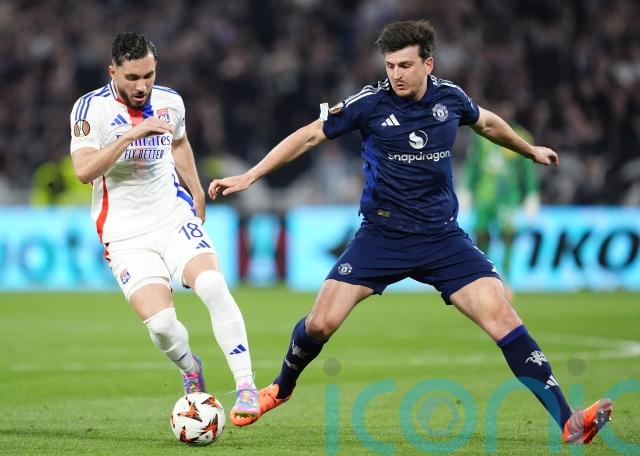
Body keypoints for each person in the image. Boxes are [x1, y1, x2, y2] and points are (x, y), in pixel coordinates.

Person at [209, 20, 612, 444]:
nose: (396, 75)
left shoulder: (450, 98)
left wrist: (528, 150)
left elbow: (488, 123)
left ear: (428, 64)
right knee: (321, 323)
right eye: (390, 66)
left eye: (404, 65)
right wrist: (251, 175)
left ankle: (568, 421)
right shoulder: (369, 103)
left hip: (442, 238)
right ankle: (281, 388)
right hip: (382, 235)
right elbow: (310, 136)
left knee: (502, 316)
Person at [69, 31, 258, 425]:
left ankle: (246, 386)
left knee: (213, 285)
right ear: (113, 72)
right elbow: (84, 170)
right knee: (162, 327)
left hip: (172, 217)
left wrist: (195, 189)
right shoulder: (90, 109)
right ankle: (191, 369)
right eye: (132, 78)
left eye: (149, 75)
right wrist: (130, 136)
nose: (142, 86)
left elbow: (179, 143)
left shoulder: (171, 101)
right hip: (125, 236)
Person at [460, 100, 540, 288]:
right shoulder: (481, 136)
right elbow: (474, 164)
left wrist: (531, 194)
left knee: (508, 234)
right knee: (481, 233)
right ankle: (484, 273)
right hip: (484, 195)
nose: (505, 112)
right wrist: (467, 189)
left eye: (508, 108)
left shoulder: (521, 136)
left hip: (508, 196)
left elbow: (527, 170)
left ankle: (507, 275)